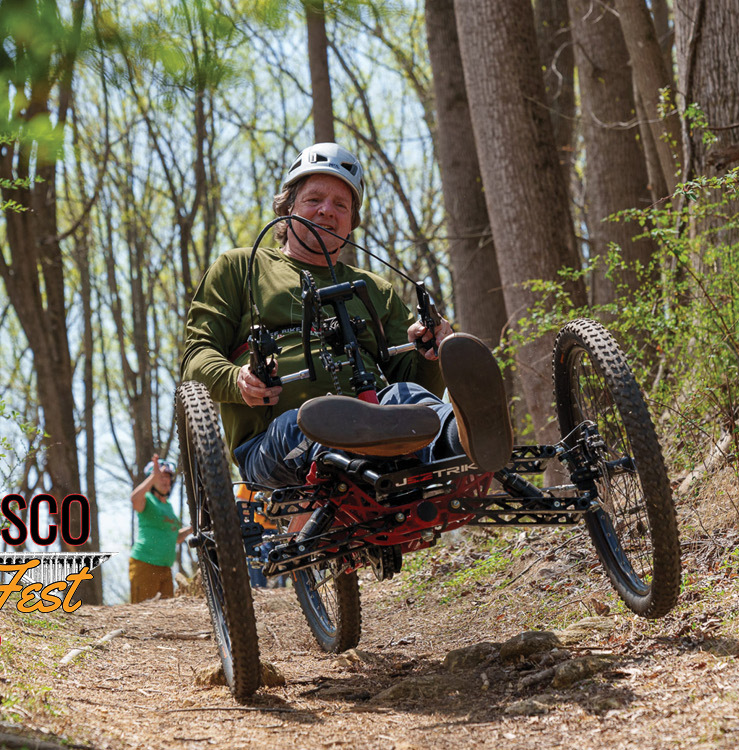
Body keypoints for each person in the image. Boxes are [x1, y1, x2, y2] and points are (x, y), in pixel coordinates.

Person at [181, 142, 513, 491]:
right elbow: (196, 357)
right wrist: (238, 380)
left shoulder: (374, 289)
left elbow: (418, 381)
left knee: (408, 396)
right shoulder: (239, 268)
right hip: (276, 441)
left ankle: (464, 436)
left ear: (351, 223)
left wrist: (431, 351)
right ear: (287, 207)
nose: (327, 211)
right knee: (311, 420)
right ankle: (366, 444)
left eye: (341, 205)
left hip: (381, 423)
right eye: (314, 200)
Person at [129, 455, 192, 603]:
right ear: (152, 480)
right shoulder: (147, 499)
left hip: (165, 568)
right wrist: (153, 476)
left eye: (168, 477)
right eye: (161, 477)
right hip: (145, 564)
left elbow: (175, 537)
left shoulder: (168, 505)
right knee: (144, 613)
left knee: (164, 616)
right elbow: (134, 499)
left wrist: (190, 529)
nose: (166, 480)